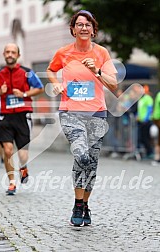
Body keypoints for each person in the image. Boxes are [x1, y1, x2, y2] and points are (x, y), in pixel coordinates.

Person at [47, 10, 117, 226]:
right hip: (70, 112)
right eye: (79, 24)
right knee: (81, 153)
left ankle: (83, 204)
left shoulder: (102, 53)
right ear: (73, 29)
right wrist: (56, 83)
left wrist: (96, 71)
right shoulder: (64, 52)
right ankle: (79, 204)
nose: (84, 28)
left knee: (92, 164)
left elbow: (113, 84)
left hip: (96, 113)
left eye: (87, 24)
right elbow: (51, 69)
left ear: (93, 29)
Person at [0, 43, 44, 195]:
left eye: (13, 52)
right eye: (7, 52)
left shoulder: (27, 72)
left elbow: (40, 88)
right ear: (4, 54)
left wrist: (24, 94)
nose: (10, 54)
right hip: (5, 117)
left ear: (18, 55)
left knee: (22, 154)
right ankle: (12, 183)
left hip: (23, 116)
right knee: (8, 151)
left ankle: (23, 167)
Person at [137, 85, 154, 159]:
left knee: (146, 137)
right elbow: (140, 109)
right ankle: (147, 152)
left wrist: (146, 119)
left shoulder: (148, 98)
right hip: (141, 121)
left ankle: (150, 152)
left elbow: (149, 109)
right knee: (142, 137)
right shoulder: (141, 99)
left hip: (146, 121)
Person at [152, 91, 160, 166]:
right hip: (157, 120)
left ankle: (157, 158)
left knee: (157, 141)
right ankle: (157, 159)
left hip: (157, 119)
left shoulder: (158, 94)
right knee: (157, 141)